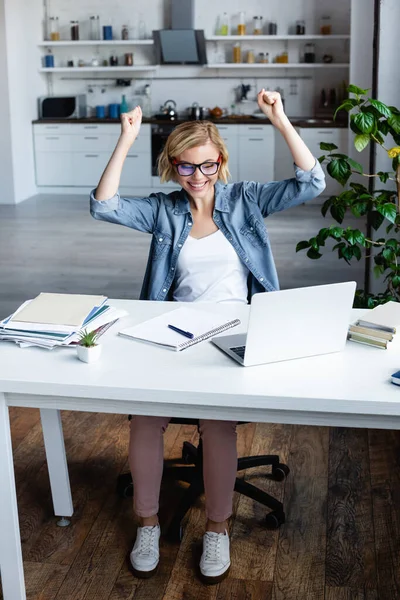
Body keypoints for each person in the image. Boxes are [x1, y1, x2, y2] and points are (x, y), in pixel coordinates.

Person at [90, 89, 326, 584]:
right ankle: (148, 523)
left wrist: (281, 121)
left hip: (235, 329)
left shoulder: (246, 201)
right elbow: (104, 206)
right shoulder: (165, 210)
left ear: (221, 162)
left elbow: (312, 181)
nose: (197, 178)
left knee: (217, 425)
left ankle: (217, 528)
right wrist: (126, 138)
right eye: (185, 168)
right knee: (144, 418)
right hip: (172, 329)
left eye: (207, 166)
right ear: (172, 167)